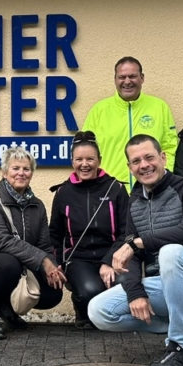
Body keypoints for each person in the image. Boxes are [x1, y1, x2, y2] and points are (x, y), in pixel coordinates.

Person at [88, 135, 183, 366]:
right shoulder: (135, 201)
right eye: (136, 161)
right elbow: (132, 257)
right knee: (98, 311)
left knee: (171, 251)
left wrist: (136, 243)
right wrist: (135, 293)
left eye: (149, 157)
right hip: (168, 287)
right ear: (130, 168)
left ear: (163, 158)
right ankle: (179, 323)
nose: (144, 165)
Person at [0, 145, 66, 339]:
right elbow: (0, 241)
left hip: (16, 268)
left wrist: (53, 268)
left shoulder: (38, 205)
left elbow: (43, 246)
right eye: (15, 168)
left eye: (26, 169)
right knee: (8, 262)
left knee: (53, 292)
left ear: (32, 173)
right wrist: (43, 260)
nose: (21, 173)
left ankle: (6, 308)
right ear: (5, 172)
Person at [48, 131, 130, 329]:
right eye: (79, 159)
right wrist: (56, 264)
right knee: (91, 291)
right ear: (72, 161)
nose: (84, 164)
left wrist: (108, 261)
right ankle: (81, 308)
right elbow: (55, 234)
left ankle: (112, 319)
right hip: (79, 259)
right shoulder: (63, 192)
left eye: (90, 159)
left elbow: (126, 231)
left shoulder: (116, 189)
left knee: (124, 287)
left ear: (99, 160)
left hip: (112, 255)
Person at [82, 56, 178, 190]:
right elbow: (86, 151)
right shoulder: (99, 111)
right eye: (122, 77)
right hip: (110, 190)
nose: (127, 81)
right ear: (115, 80)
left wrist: (163, 176)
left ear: (142, 78)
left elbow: (170, 146)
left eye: (132, 76)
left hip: (152, 189)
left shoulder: (159, 107)